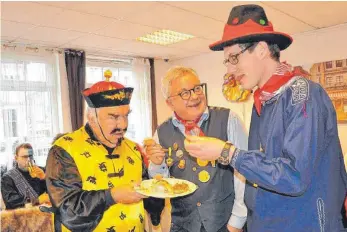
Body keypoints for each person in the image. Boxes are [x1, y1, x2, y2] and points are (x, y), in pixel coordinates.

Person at [184, 4, 347, 232]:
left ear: (261, 49)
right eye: (227, 61)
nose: (230, 69)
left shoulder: (303, 95)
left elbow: (294, 176)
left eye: (234, 58)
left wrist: (227, 152)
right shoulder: (265, 99)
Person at [45, 74, 163, 232]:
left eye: (126, 115)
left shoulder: (133, 149)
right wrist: (112, 196)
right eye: (113, 117)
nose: (123, 125)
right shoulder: (65, 149)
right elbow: (69, 211)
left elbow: (151, 204)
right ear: (91, 117)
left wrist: (156, 168)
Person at [145, 66, 248, 232]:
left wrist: (237, 221)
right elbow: (162, 185)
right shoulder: (162, 132)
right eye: (185, 93)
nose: (194, 96)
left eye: (197, 88)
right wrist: (157, 164)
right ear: (170, 102)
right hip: (182, 225)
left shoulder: (229, 120)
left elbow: (243, 173)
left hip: (225, 223)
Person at [1, 143, 50, 209]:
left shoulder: (41, 171)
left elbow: (55, 192)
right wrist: (37, 200)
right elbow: (11, 202)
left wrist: (44, 178)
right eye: (24, 157)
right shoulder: (7, 178)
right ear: (16, 158)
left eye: (31, 156)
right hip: (23, 216)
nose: (29, 160)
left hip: (44, 213)